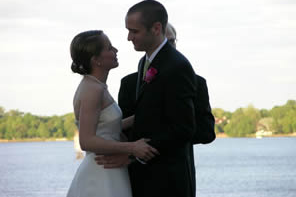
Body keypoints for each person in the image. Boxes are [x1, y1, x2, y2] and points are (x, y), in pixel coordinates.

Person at [103, 22, 215, 197]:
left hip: (175, 179)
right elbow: (126, 132)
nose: (168, 48)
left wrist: (169, 133)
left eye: (171, 42)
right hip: (136, 177)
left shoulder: (196, 81)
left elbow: (207, 133)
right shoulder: (129, 84)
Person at [66, 30, 158, 197]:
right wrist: (132, 147)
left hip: (109, 170)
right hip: (101, 173)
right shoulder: (92, 90)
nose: (115, 50)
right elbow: (86, 141)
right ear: (96, 60)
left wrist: (145, 115)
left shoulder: (97, 86)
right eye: (109, 48)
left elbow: (106, 127)